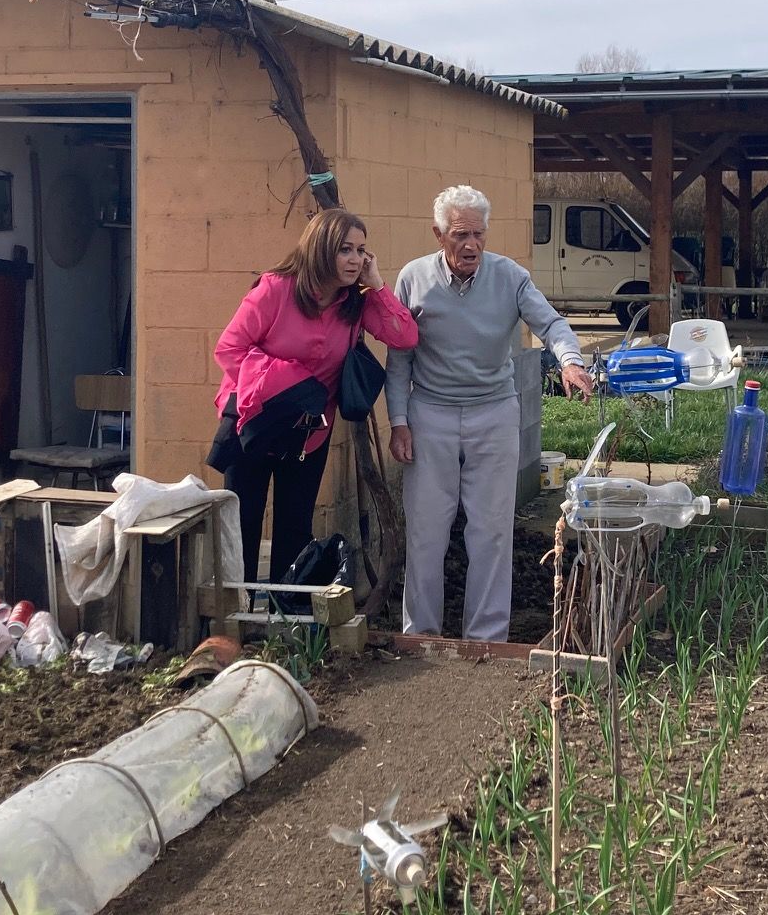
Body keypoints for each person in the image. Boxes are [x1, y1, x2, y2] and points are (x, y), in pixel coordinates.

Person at [387, 185, 595, 640]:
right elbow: (399, 359)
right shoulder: (412, 278)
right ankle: (420, 634)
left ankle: (486, 640)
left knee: (491, 531)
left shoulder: (510, 277)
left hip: (493, 413)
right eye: (460, 235)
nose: (471, 245)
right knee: (426, 533)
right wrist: (398, 421)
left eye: (479, 234)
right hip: (431, 414)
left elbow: (551, 323)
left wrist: (570, 360)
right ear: (438, 234)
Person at [213, 208, 418, 584]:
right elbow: (228, 350)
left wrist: (377, 285)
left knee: (295, 528)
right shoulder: (276, 289)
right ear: (322, 249)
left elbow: (404, 336)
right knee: (241, 526)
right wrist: (287, 383)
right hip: (255, 425)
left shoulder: (355, 301)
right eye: (345, 250)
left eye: (361, 251)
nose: (355, 260)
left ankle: (284, 624)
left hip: (309, 434)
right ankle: (234, 624)